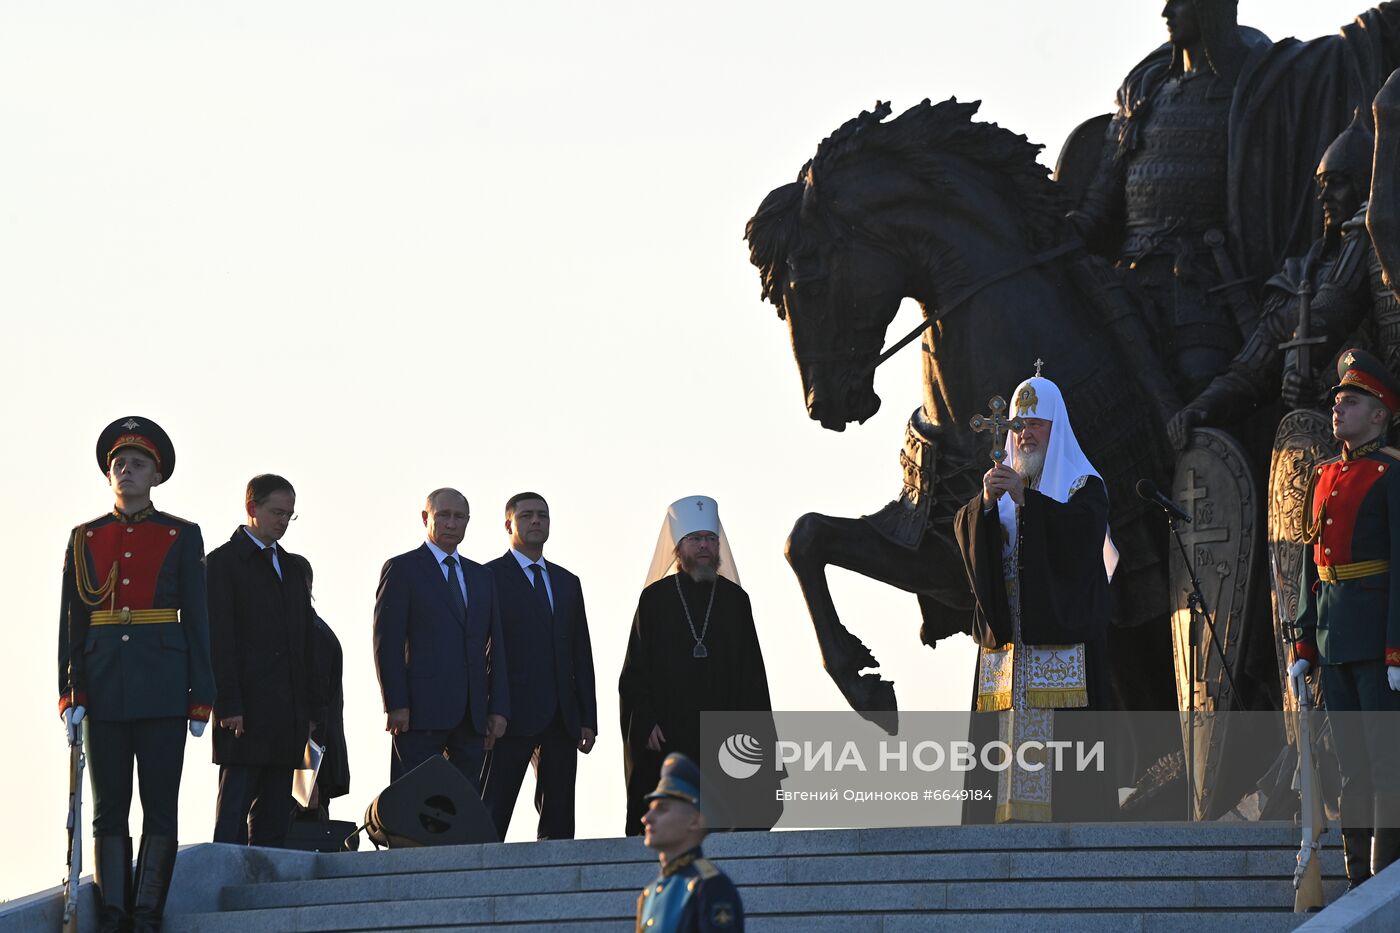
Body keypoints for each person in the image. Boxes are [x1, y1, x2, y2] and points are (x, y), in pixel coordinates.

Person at [1069, 0, 1400, 402]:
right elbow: (1102, 200)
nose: (1167, 12)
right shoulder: (1144, 90)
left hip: (1203, 284)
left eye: (1181, 2)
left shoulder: (1264, 81)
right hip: (1128, 274)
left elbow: (1347, 53)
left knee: (1198, 374)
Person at [57, 416, 215, 932]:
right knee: (108, 809)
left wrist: (201, 695)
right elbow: (72, 623)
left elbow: (197, 619)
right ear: (109, 476)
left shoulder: (181, 535)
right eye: (119, 464)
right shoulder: (86, 537)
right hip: (101, 688)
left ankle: (147, 913)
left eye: (138, 463)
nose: (127, 470)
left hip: (165, 686)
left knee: (159, 805)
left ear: (156, 474)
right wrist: (70, 691)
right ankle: (114, 911)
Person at [953, 374, 1117, 822]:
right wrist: (985, 507)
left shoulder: (1083, 485)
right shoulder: (998, 491)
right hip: (1006, 656)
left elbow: (1080, 542)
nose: (1024, 434)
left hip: (1059, 649)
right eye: (1017, 426)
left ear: (1055, 427)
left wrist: (1029, 502)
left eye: (1035, 424)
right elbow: (968, 540)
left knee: (1067, 779)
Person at [1167, 115, 1386, 444]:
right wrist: (1202, 406)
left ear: (1365, 183)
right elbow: (1250, 370)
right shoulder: (1296, 277)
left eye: (1337, 182)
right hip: (1302, 452)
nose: (1323, 197)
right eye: (1321, 185)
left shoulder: (1384, 269)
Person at [1290, 348, 1400, 887]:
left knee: (1385, 764)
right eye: (1336, 400)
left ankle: (1386, 878)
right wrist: (1305, 645)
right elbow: (1314, 569)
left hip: (1377, 642)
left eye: (1351, 402)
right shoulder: (1325, 475)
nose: (1338, 409)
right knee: (1351, 767)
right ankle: (1359, 878)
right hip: (1334, 643)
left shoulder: (1392, 474)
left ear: (1380, 413)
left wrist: (1396, 648)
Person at [619, 496, 773, 836]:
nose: (704, 546)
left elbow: (752, 673)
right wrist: (644, 720)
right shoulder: (654, 599)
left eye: (710, 539)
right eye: (695, 540)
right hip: (671, 732)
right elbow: (635, 669)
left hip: (725, 731)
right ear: (678, 547)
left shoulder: (736, 600)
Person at [207, 474, 323, 847]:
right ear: (251, 508)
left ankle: (265, 884)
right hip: (243, 711)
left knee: (275, 811)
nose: (283, 521)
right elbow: (219, 640)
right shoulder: (221, 564)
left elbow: (304, 644)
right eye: (276, 512)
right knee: (234, 809)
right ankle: (225, 884)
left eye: (290, 514)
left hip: (286, 713)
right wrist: (228, 704)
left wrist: (307, 712)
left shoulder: (290, 568)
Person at [373, 488, 509, 789]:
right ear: (426, 517)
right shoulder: (403, 569)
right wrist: (395, 703)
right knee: (414, 801)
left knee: (464, 808)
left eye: (459, 517)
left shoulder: (481, 576)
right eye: (443, 515)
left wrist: (497, 708)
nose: (451, 523)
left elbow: (495, 647)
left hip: (472, 717)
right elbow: (388, 642)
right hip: (419, 714)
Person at [481, 492, 597, 840]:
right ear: (508, 524)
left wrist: (588, 719)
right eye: (527, 515)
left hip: (562, 717)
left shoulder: (566, 582)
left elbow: (581, 654)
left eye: (542, 516)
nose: (536, 521)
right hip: (507, 714)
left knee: (559, 818)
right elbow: (480, 650)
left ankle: (559, 885)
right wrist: (486, 710)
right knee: (492, 810)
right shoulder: (487, 577)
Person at [635, 753, 744, 933]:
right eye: (650, 809)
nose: (646, 818)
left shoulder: (711, 887)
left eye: (662, 809)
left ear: (695, 821)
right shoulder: (649, 894)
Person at [284, 553, 350, 821]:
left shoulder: (313, 634)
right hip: (310, 756)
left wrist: (306, 778)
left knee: (301, 830)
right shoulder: (312, 630)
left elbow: (316, 711)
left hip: (310, 758)